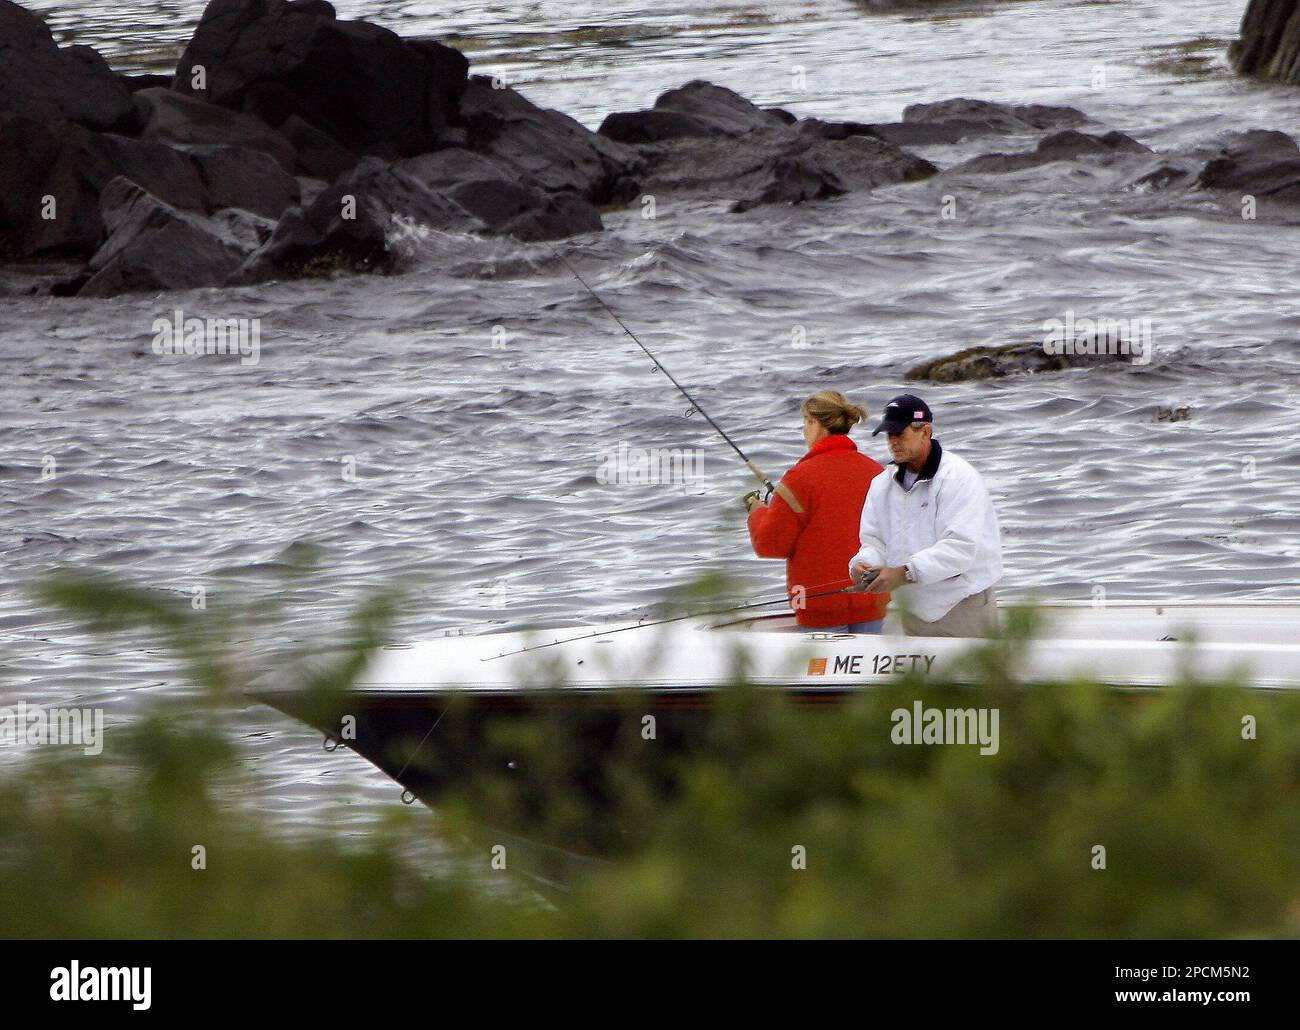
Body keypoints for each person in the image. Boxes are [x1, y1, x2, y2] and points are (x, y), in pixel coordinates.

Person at [848, 394, 1002, 637]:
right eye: (889, 435)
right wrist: (863, 566)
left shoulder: (959, 477)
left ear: (925, 431)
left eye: (900, 433)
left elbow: (960, 550)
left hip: (962, 604)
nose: (893, 442)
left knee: (971, 676)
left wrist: (904, 573)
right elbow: (873, 541)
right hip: (911, 608)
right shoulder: (881, 485)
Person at [746, 391, 890, 633]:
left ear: (816, 423)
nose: (804, 429)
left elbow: (771, 543)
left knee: (824, 671)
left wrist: (756, 510)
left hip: (821, 605)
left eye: (806, 421)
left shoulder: (800, 478)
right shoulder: (877, 473)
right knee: (867, 671)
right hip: (873, 597)